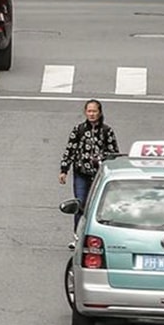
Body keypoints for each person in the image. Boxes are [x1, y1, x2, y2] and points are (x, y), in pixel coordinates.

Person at [58, 99, 119, 243]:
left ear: (100, 112)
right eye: (89, 111)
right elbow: (70, 150)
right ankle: (78, 237)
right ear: (85, 112)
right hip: (81, 173)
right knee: (80, 204)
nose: (91, 114)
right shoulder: (78, 130)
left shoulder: (107, 131)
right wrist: (64, 170)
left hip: (100, 175)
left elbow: (114, 153)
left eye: (94, 111)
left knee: (98, 206)